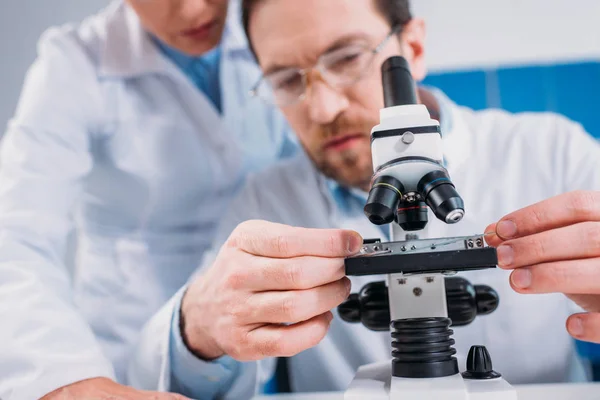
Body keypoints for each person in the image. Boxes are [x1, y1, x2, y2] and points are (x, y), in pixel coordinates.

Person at [125, 0, 600, 398]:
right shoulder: (264, 203)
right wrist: (199, 327)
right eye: (288, 80)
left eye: (347, 58)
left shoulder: (553, 152)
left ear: (411, 47)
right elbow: (163, 383)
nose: (323, 108)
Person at [0, 0, 297, 399]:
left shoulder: (270, 31)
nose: (195, 9)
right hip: (132, 359)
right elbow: (15, 237)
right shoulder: (77, 65)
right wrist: (69, 386)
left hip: (271, 347)